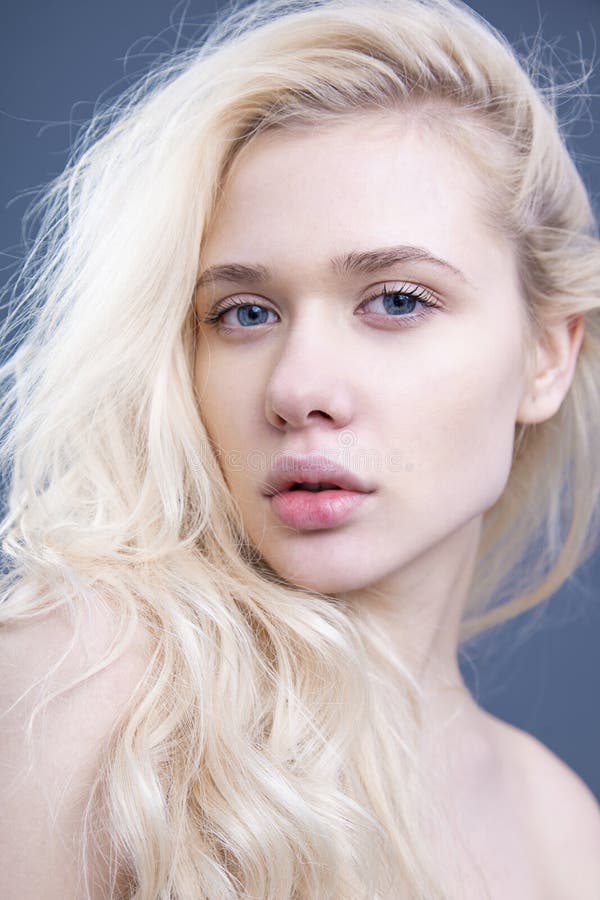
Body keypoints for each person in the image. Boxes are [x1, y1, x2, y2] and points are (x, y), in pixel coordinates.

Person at [1, 0, 600, 896]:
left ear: (547, 357)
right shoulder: (80, 686)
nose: (296, 390)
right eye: (246, 313)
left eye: (398, 300)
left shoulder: (559, 828)